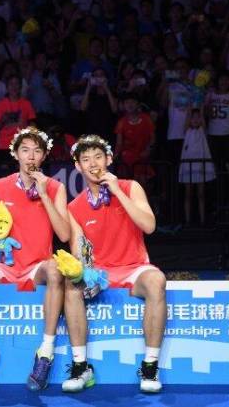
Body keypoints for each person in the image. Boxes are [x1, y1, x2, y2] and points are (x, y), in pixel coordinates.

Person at [0, 127, 70, 392]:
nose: (31, 156)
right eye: (25, 150)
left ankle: (45, 353)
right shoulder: (0, 185)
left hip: (37, 266)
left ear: (43, 156)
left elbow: (65, 234)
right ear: (16, 155)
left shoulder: (56, 187)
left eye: (36, 151)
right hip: (6, 265)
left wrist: (44, 194)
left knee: (56, 269)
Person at [61, 135, 166, 394]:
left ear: (108, 159)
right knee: (71, 285)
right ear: (78, 166)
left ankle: (150, 366)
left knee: (157, 280)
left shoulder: (131, 187)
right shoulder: (74, 207)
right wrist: (83, 274)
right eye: (86, 159)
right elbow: (79, 251)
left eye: (98, 157)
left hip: (135, 268)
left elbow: (149, 226)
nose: (93, 164)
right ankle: (81, 366)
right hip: (100, 273)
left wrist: (117, 191)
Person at [179, 108, 216, 226]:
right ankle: (188, 221)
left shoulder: (202, 131)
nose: (195, 120)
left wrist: (201, 105)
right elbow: (188, 117)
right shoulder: (187, 131)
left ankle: (202, 220)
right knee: (188, 194)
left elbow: (202, 117)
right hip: (187, 167)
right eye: (192, 117)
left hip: (200, 167)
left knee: (201, 194)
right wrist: (190, 106)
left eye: (198, 117)